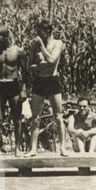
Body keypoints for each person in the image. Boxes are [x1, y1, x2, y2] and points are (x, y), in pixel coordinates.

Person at [28, 20, 69, 156]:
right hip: (39, 81)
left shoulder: (58, 43)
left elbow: (52, 60)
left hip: (53, 81)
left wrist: (42, 48)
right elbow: (30, 66)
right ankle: (33, 148)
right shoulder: (35, 46)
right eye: (37, 32)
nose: (38, 35)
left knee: (58, 116)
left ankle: (62, 147)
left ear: (48, 32)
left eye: (40, 32)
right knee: (35, 117)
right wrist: (42, 66)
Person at [0, 28, 28, 155]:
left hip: (13, 85)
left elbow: (25, 72)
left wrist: (24, 89)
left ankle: (17, 148)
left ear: (5, 36)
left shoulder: (18, 51)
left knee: (17, 119)